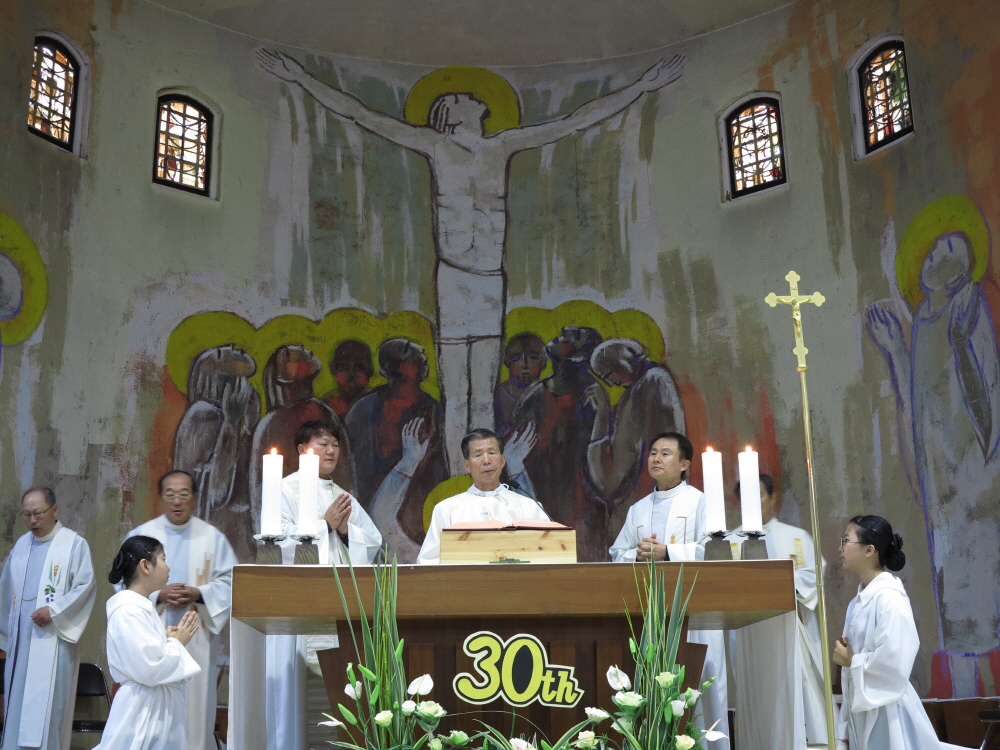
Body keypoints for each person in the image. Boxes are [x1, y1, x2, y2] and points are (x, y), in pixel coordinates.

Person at [257, 49, 686, 473]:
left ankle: (484, 479)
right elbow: (362, 115)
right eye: (460, 98)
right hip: (454, 279)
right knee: (455, 399)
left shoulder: (502, 145)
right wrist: (300, 77)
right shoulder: (435, 145)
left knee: (482, 397)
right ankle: (457, 481)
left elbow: (572, 122)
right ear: (447, 115)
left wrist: (641, 86)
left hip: (488, 281)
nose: (472, 97)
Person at [609, 433, 729, 750]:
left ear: (685, 463)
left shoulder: (700, 502)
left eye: (666, 453)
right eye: (653, 453)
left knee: (698, 681)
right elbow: (617, 552)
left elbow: (715, 550)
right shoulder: (638, 509)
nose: (656, 458)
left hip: (694, 609)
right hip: (650, 610)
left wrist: (669, 552)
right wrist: (637, 555)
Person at [270, 420, 383, 750]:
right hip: (302, 604)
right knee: (302, 697)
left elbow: (372, 542)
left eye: (335, 444)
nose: (331, 450)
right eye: (323, 444)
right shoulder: (284, 490)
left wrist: (345, 532)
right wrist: (325, 527)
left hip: (340, 605)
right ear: (302, 450)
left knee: (341, 689)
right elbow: (277, 544)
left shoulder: (342, 496)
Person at [123, 471, 238, 750]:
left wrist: (199, 593)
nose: (177, 501)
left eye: (184, 494)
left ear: (195, 498)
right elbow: (122, 581)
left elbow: (233, 582)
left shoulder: (212, 538)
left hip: (196, 637)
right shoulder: (141, 537)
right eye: (171, 494)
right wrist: (157, 594)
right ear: (161, 498)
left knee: (195, 711)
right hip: (152, 634)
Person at [834, 515, 963, 750]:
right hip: (863, 705)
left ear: (869, 550)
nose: (840, 547)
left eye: (846, 540)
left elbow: (896, 659)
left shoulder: (889, 597)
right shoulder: (859, 600)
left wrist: (852, 660)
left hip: (887, 707)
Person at [727, 474, 825, 744]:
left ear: (772, 498)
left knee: (797, 689)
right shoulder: (730, 542)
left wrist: (773, 582)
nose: (752, 503)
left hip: (790, 630)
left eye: (758, 495)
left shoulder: (796, 538)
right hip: (748, 634)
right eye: (745, 497)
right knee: (756, 692)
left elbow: (813, 577)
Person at [0, 487, 96, 750]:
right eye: (26, 515)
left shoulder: (74, 545)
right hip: (21, 644)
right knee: (17, 706)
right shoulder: (21, 546)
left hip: (54, 643)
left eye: (38, 514)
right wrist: (6, 635)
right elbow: (5, 591)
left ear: (54, 510)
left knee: (50, 710)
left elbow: (85, 587)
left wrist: (54, 611)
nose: (32, 521)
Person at [99, 536, 201, 750]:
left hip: (152, 705)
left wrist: (167, 640)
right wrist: (176, 643)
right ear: (145, 565)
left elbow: (148, 657)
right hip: (141, 709)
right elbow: (149, 668)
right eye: (163, 559)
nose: (168, 567)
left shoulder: (140, 608)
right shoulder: (128, 611)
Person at [418, 428, 551, 564]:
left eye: (492, 453)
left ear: (502, 461)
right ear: (467, 466)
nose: (486, 461)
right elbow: (429, 562)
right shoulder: (446, 509)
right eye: (478, 455)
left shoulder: (529, 506)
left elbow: (550, 553)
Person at [494, 333, 545, 437]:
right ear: (507, 361)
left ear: (543, 362)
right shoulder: (497, 395)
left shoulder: (549, 395)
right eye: (516, 358)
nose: (524, 365)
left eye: (533, 357)